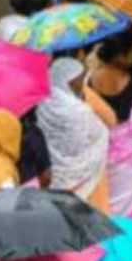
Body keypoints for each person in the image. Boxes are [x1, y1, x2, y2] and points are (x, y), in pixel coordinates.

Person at [88, 32, 132, 219]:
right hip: (128, 150)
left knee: (102, 196)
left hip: (100, 144)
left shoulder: (92, 78)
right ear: (120, 53)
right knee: (128, 197)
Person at [37, 57, 110, 203]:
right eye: (80, 79)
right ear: (69, 81)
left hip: (51, 171)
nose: (82, 84)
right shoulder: (79, 110)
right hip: (80, 176)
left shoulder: (43, 102)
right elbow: (100, 133)